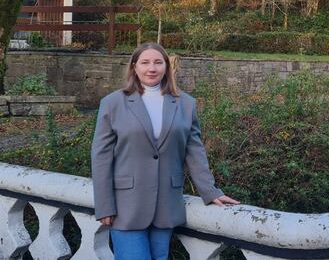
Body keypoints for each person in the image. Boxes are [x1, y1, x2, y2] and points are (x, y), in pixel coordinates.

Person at [91, 42, 238, 260]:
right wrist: (104, 205)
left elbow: (194, 151)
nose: (152, 68)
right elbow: (100, 156)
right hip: (125, 207)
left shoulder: (186, 104)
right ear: (134, 66)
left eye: (158, 62)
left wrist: (210, 191)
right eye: (145, 62)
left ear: (167, 67)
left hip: (166, 204)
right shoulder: (113, 103)